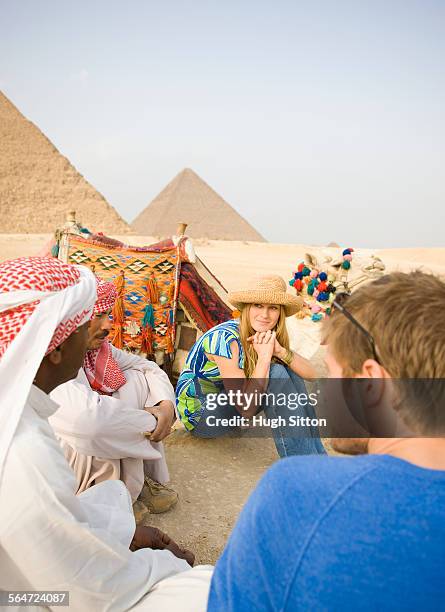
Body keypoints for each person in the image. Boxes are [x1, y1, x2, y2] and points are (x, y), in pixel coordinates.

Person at [208, 271, 445, 611]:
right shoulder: (227, 339)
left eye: (337, 375)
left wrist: (273, 355)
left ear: (371, 383)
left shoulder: (295, 490)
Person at [0, 257, 212, 611]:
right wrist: (165, 565)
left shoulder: (18, 414)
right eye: (85, 328)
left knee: (112, 495)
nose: (96, 336)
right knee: (204, 589)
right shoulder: (25, 450)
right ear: (54, 350)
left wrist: (123, 533)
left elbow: (53, 523)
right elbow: (86, 590)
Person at [49, 277, 177, 514]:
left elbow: (148, 367)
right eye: (98, 315)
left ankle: (130, 485)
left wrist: (166, 406)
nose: (108, 325)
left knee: (134, 381)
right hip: (63, 455)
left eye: (108, 314)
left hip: (97, 432)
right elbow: (89, 423)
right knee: (101, 421)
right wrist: (154, 422)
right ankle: (106, 495)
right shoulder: (51, 362)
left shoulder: (98, 351)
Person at [176, 274, 325, 457]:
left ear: (280, 313)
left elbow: (312, 374)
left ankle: (317, 456)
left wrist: (280, 352)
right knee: (276, 372)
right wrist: (264, 358)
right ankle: (301, 463)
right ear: (247, 307)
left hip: (234, 398)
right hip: (202, 415)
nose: (265, 314)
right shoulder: (225, 339)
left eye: (273, 308)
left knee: (287, 368)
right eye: (258, 305)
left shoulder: (266, 334)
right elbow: (246, 409)